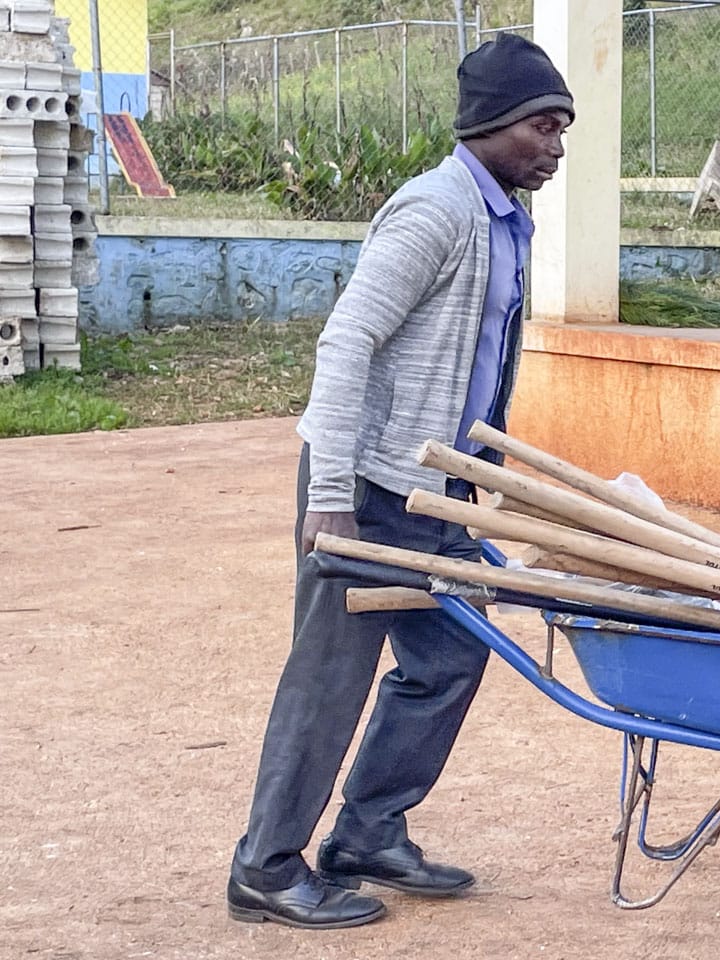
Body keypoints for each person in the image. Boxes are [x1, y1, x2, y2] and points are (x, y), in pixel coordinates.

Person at [226, 33, 574, 930]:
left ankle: (368, 833)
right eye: (544, 125)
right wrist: (330, 494)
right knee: (330, 678)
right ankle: (265, 868)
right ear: (493, 124)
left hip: (433, 492)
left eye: (564, 127)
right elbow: (346, 343)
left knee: (452, 655)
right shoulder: (435, 212)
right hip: (369, 489)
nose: (558, 146)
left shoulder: (503, 215)